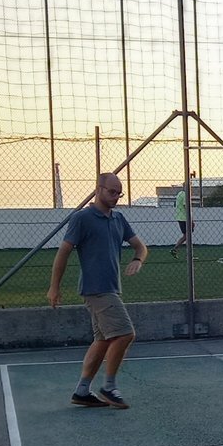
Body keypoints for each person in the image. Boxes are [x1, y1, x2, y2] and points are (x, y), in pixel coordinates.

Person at [49, 173, 148, 409]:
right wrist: (54, 287)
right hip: (96, 290)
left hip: (111, 288)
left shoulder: (118, 219)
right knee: (125, 334)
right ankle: (109, 387)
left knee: (103, 340)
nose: (115, 197)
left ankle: (82, 391)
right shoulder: (82, 218)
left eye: (119, 193)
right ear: (98, 189)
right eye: (112, 192)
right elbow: (63, 252)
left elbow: (141, 247)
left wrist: (138, 260)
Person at [168, 181, 194, 256]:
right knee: (187, 235)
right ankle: (178, 250)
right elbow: (186, 207)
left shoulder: (180, 193)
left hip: (180, 217)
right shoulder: (185, 195)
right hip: (184, 218)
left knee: (187, 235)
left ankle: (184, 252)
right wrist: (191, 219)